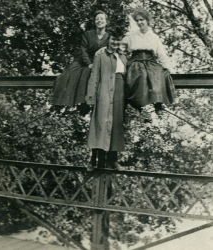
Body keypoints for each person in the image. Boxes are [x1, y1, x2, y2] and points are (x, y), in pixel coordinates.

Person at [85, 33, 127, 171]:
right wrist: (91, 95)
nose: (115, 42)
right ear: (108, 40)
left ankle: (113, 161)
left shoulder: (123, 57)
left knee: (115, 126)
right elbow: (94, 76)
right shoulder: (101, 55)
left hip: (119, 94)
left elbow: (126, 77)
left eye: (118, 39)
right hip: (103, 92)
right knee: (100, 124)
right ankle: (94, 161)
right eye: (113, 39)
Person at [53, 10, 109, 111]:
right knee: (69, 76)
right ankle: (67, 102)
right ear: (94, 22)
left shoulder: (109, 37)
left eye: (102, 19)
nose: (99, 21)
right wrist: (89, 64)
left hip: (99, 62)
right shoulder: (87, 34)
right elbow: (83, 51)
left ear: (106, 22)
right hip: (84, 61)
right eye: (97, 19)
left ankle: (88, 103)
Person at [123, 9, 175, 114]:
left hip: (151, 61)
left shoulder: (154, 37)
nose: (139, 22)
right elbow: (121, 48)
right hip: (136, 61)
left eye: (142, 20)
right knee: (140, 74)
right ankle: (138, 104)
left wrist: (169, 68)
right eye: (137, 20)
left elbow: (161, 54)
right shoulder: (131, 36)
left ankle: (158, 102)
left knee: (160, 73)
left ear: (147, 21)